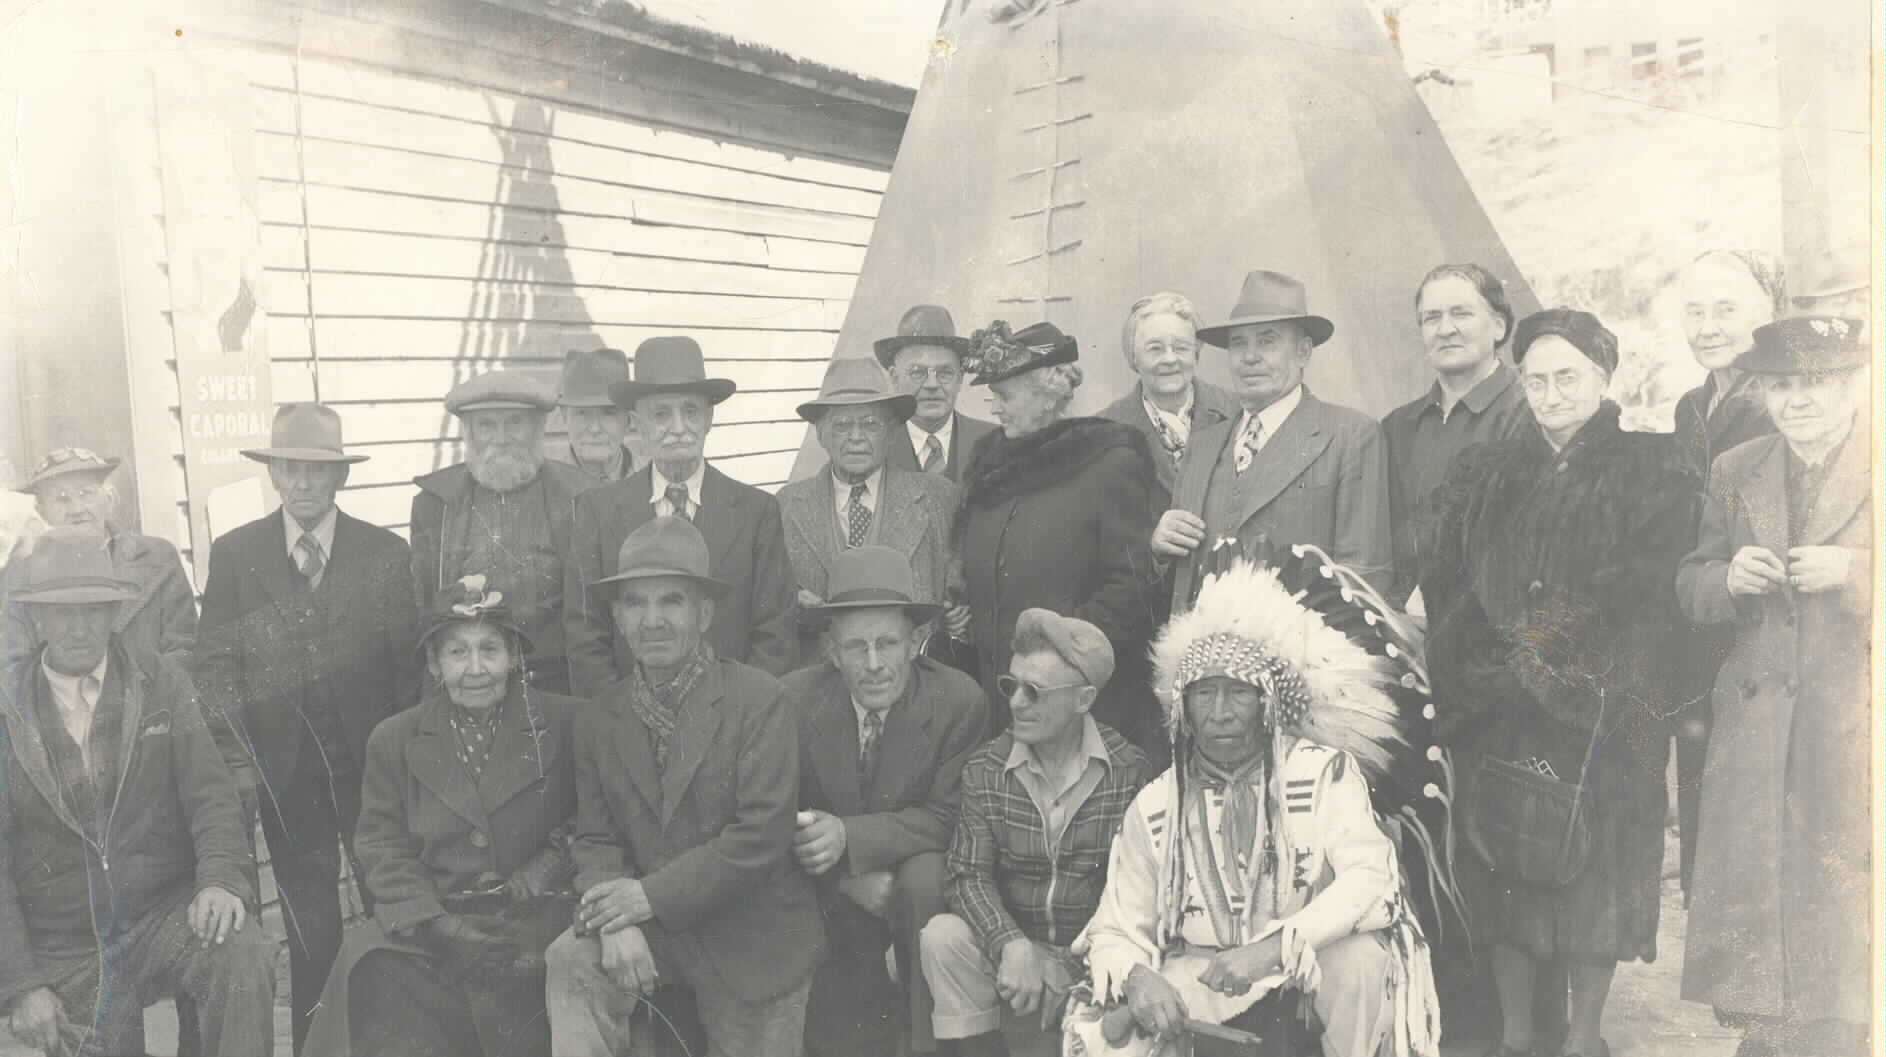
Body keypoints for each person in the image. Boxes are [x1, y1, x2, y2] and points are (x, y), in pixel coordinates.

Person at [1421, 309, 1699, 1057]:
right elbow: (1450, 583)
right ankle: (1516, 1037)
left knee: (1595, 877)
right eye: (1535, 379)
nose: (1550, 393)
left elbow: (1641, 586)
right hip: (1498, 705)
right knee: (1506, 866)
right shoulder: (1486, 472)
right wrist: (1481, 678)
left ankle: (1582, 1038)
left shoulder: (1652, 467)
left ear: (1604, 378)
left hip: (1601, 705)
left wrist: (1541, 663)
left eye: (1567, 376)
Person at [1066, 553, 1442, 1057]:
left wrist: (1272, 948)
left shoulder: (1322, 772)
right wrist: (1136, 975)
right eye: (1204, 696)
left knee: (1361, 962)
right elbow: (1115, 923)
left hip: (1305, 966)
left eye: (1237, 695)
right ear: (1184, 710)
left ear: (1268, 704)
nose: (1220, 713)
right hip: (1199, 982)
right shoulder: (1157, 803)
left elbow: (1372, 881)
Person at [546, 516, 823, 1057]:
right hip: (656, 928)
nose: (653, 621)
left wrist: (643, 898)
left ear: (704, 613)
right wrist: (612, 922)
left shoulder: (759, 700)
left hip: (752, 933)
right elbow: (596, 839)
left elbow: (759, 838)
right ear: (618, 619)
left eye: (671, 601)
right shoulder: (601, 718)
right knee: (571, 960)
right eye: (635, 604)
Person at [193, 402, 418, 1055]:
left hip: (372, 770)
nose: (303, 483)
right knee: (309, 925)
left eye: (318, 471)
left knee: (390, 906)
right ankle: (319, 1045)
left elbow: (407, 673)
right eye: (290, 468)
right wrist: (242, 764)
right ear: (275, 475)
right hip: (285, 776)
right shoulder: (238, 555)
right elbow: (215, 671)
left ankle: (394, 1038)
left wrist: (400, 763)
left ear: (339, 478)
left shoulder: (385, 553)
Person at [0, 527, 274, 1057]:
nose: (80, 628)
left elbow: (212, 795)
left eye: (93, 610)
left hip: (162, 918)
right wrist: (21, 984)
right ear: (36, 619)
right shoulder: (8, 712)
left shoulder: (160, 682)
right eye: (62, 612)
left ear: (114, 613)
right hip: (70, 946)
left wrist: (218, 880)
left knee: (242, 952)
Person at [1679, 316, 1871, 1057]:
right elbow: (1689, 581)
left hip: (1850, 721)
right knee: (1764, 902)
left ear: (1850, 383)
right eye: (1783, 387)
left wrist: (1857, 572)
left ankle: (1833, 1036)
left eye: (1815, 384)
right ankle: (1770, 1036)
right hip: (1759, 730)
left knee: (1838, 898)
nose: (1798, 402)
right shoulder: (1738, 467)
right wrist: (1725, 576)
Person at [303, 573, 581, 1057]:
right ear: (434, 664)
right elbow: (381, 846)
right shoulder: (394, 738)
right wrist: (435, 923)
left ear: (514, 657)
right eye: (457, 652)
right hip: (437, 920)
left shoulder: (566, 723)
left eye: (490, 649)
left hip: (534, 915)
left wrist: (535, 878)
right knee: (366, 965)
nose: (476, 669)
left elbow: (589, 822)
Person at [785, 545, 990, 1056]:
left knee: (923, 877)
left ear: (917, 641)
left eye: (888, 644)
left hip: (916, 888)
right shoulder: (793, 701)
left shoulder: (958, 702)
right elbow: (770, 813)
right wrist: (844, 874)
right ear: (831, 652)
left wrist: (850, 837)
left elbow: (951, 816)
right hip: (826, 892)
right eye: (856, 648)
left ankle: (925, 1046)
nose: (874, 664)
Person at [920, 608, 1153, 1057]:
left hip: (1093, 956)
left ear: (1084, 699)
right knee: (942, 937)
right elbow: (968, 876)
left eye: (1035, 691)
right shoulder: (987, 768)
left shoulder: (1130, 772)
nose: (1016, 703)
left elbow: (1133, 896)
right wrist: (1011, 944)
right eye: (1011, 686)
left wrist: (1069, 961)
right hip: (1015, 950)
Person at [952, 320, 1164, 751]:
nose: (995, 408)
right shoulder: (988, 466)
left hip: (1079, 707)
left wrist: (1059, 660)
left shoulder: (1107, 462)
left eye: (1005, 395)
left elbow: (1130, 588)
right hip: (1004, 703)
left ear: (1047, 393)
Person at [564, 336, 796, 695]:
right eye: (661, 414)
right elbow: (585, 634)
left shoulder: (756, 512)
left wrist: (740, 718)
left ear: (709, 418)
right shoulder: (598, 511)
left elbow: (775, 634)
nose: (677, 427)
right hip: (628, 727)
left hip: (732, 726)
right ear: (637, 424)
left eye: (690, 411)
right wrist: (617, 723)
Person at [1154, 270, 1392, 606]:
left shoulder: (1351, 435)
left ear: (1303, 352)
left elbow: (1364, 575)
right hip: (1202, 650)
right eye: (1238, 344)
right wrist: (1161, 548)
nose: (1250, 357)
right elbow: (1179, 584)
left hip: (1304, 651)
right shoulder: (1204, 443)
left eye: (1267, 341)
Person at [1667, 249, 1785, 901]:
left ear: (1764, 313)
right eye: (1695, 310)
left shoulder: (1782, 402)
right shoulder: (1691, 407)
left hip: (1760, 629)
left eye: (1726, 309)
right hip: (1700, 624)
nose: (1708, 325)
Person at [411, 368, 595, 694]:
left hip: (554, 687)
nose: (500, 438)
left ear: (538, 427)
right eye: (486, 425)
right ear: (467, 433)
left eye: (514, 423)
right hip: (464, 688)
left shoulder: (579, 497)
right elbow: (425, 609)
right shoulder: (434, 504)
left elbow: (591, 622)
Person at [778, 357, 967, 660]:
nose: (856, 438)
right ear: (821, 434)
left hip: (912, 682)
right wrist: (792, 605)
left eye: (869, 424)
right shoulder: (786, 505)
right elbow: (770, 604)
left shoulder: (939, 499)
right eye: (841, 426)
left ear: (891, 432)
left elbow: (960, 599)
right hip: (820, 686)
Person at [1381, 265, 1531, 607]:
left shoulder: (1531, 415)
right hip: (1399, 627)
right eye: (1431, 318)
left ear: (1498, 326)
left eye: (1460, 314)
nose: (1445, 329)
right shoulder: (1396, 428)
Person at [4, 447, 198, 668]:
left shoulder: (158, 558)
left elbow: (183, 646)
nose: (76, 509)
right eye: (61, 498)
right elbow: (14, 664)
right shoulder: (22, 574)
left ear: (109, 499)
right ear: (41, 511)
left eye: (86, 494)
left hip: (152, 697)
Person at [1098, 291, 1240, 494]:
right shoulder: (1104, 430)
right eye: (1155, 349)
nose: (1169, 359)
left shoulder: (1238, 413)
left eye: (1181, 347)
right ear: (1134, 357)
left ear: (1195, 354)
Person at [877, 304, 1000, 481]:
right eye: (918, 372)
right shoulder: (874, 448)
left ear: (960, 378)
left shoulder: (995, 443)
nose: (932, 385)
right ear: (895, 378)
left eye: (945, 373)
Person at [555, 347, 642, 481]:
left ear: (629, 419)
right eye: (582, 413)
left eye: (608, 413)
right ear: (564, 416)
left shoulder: (654, 484)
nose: (595, 428)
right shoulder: (543, 489)